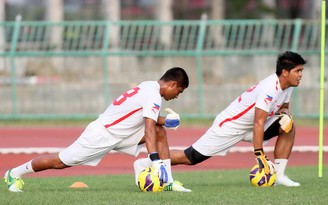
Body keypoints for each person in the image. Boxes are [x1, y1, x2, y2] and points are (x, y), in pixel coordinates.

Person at [4, 67, 191, 192]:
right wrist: (154, 160)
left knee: (160, 131)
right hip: (102, 135)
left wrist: (165, 121)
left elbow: (146, 119)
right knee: (60, 162)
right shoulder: (153, 94)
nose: (177, 96)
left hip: (121, 135)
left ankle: (166, 182)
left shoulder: (149, 86)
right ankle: (14, 173)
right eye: (179, 92)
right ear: (173, 84)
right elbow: (148, 127)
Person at [134, 51, 306, 187]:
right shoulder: (270, 88)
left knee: (289, 126)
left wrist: (285, 114)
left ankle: (280, 175)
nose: (300, 75)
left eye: (301, 71)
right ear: (284, 72)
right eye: (297, 71)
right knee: (190, 158)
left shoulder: (287, 86)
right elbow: (258, 122)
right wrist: (259, 154)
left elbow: (283, 107)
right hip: (230, 126)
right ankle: (146, 163)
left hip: (251, 126)